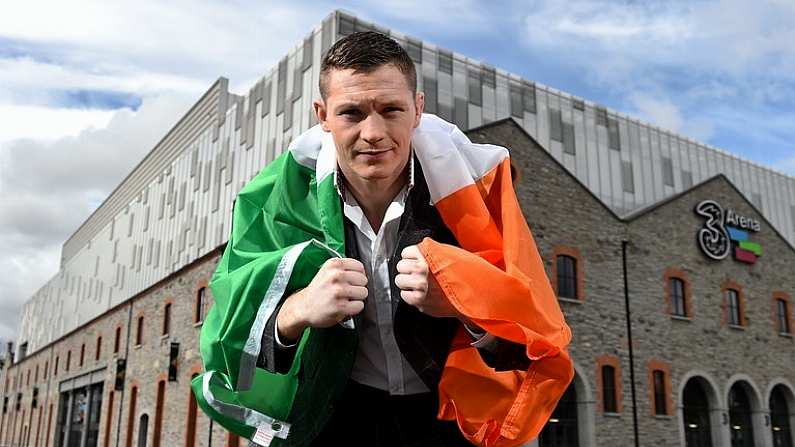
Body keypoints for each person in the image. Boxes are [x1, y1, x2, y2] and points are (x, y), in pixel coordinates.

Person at [194, 31, 573, 447]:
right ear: (322, 116)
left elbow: (533, 338)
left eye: (391, 110)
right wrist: (297, 309)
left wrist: (464, 303)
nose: (373, 132)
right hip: (335, 415)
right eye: (351, 113)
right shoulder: (275, 198)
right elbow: (226, 340)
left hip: (448, 417)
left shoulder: (479, 190)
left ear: (418, 110)